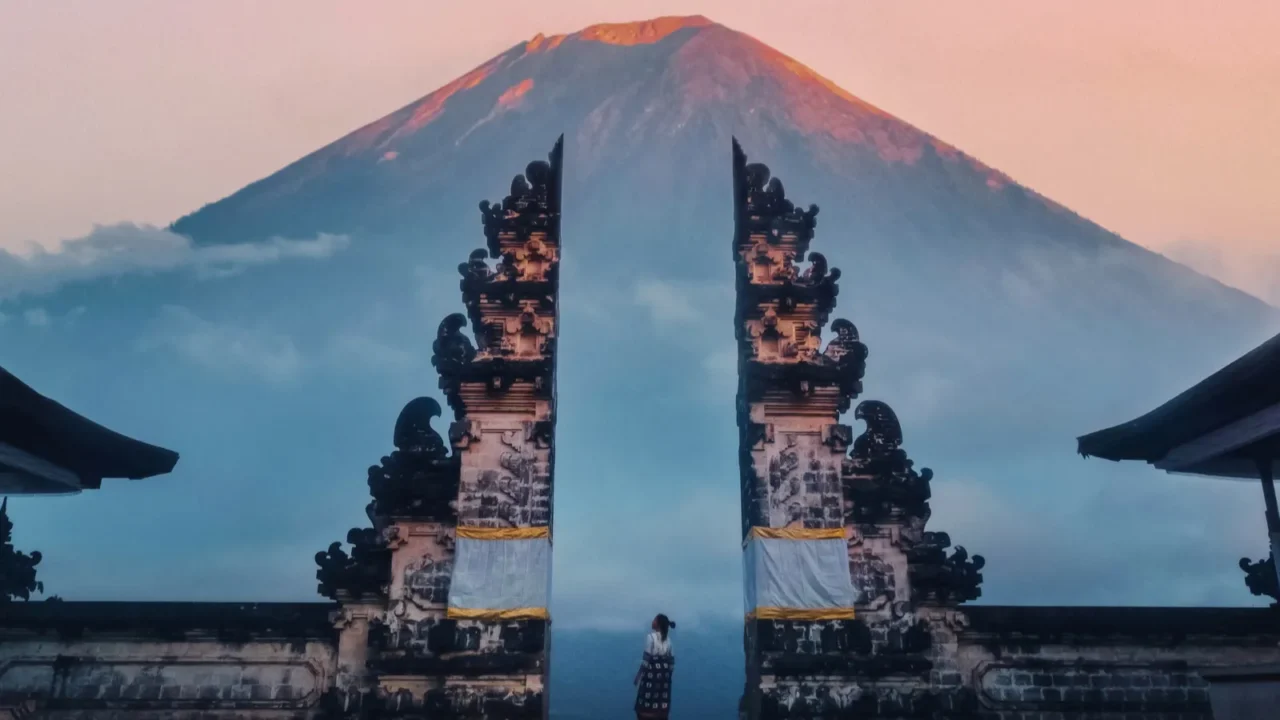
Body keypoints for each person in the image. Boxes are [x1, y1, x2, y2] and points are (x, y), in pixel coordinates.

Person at [634, 613, 676, 719]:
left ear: (658, 624)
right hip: (663, 678)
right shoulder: (669, 640)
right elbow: (671, 662)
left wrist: (638, 676)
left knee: (646, 699)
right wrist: (668, 675)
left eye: (654, 620)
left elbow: (646, 659)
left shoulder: (650, 637)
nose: (652, 621)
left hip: (651, 676)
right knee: (662, 700)